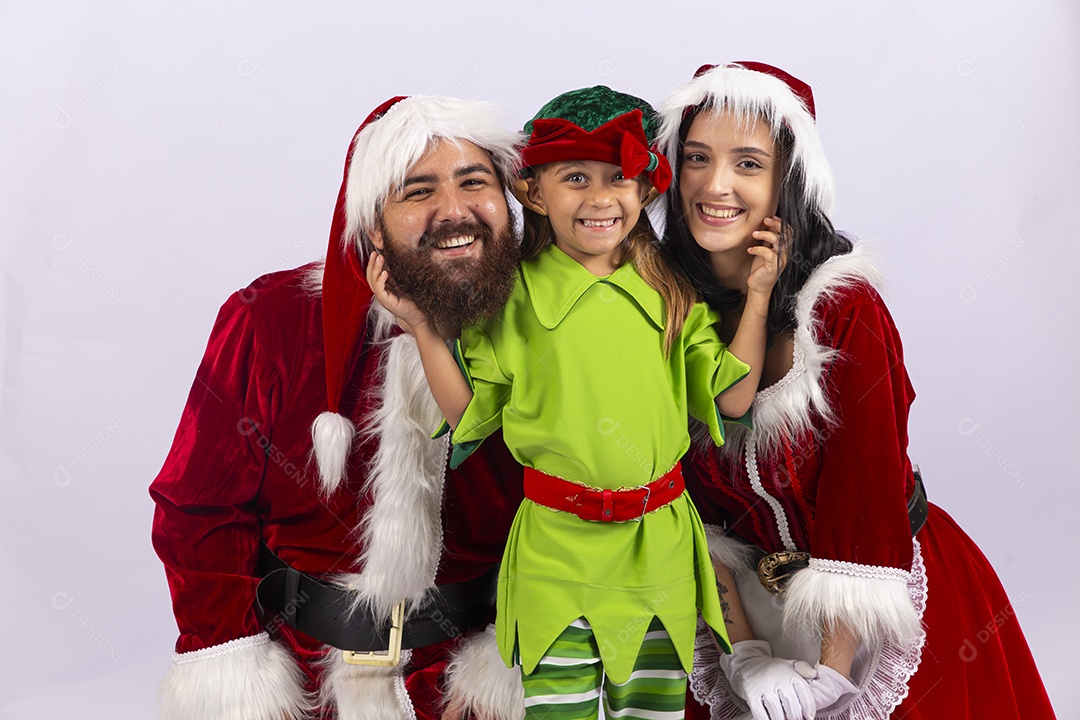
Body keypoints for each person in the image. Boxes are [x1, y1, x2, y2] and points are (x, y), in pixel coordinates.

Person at [658, 62, 1057, 719]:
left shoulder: (843, 308)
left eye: (748, 164)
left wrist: (829, 677)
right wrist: (743, 653)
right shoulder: (662, 312)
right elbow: (680, 508)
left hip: (875, 595)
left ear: (789, 181)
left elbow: (862, 490)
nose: (715, 184)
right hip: (737, 610)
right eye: (697, 157)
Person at [368, 86, 780, 720]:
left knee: (652, 708)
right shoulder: (511, 297)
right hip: (555, 554)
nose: (598, 198)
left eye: (619, 179)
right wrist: (423, 328)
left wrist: (756, 298)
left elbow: (733, 396)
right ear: (533, 192)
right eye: (575, 178)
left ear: (646, 192)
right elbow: (468, 417)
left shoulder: (670, 293)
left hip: (657, 551)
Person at [149, 95, 531, 720]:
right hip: (303, 682)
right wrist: (230, 663)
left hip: (473, 684)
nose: (454, 210)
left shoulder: (549, 329)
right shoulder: (271, 320)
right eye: (418, 191)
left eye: (474, 182)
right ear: (372, 223)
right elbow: (200, 509)